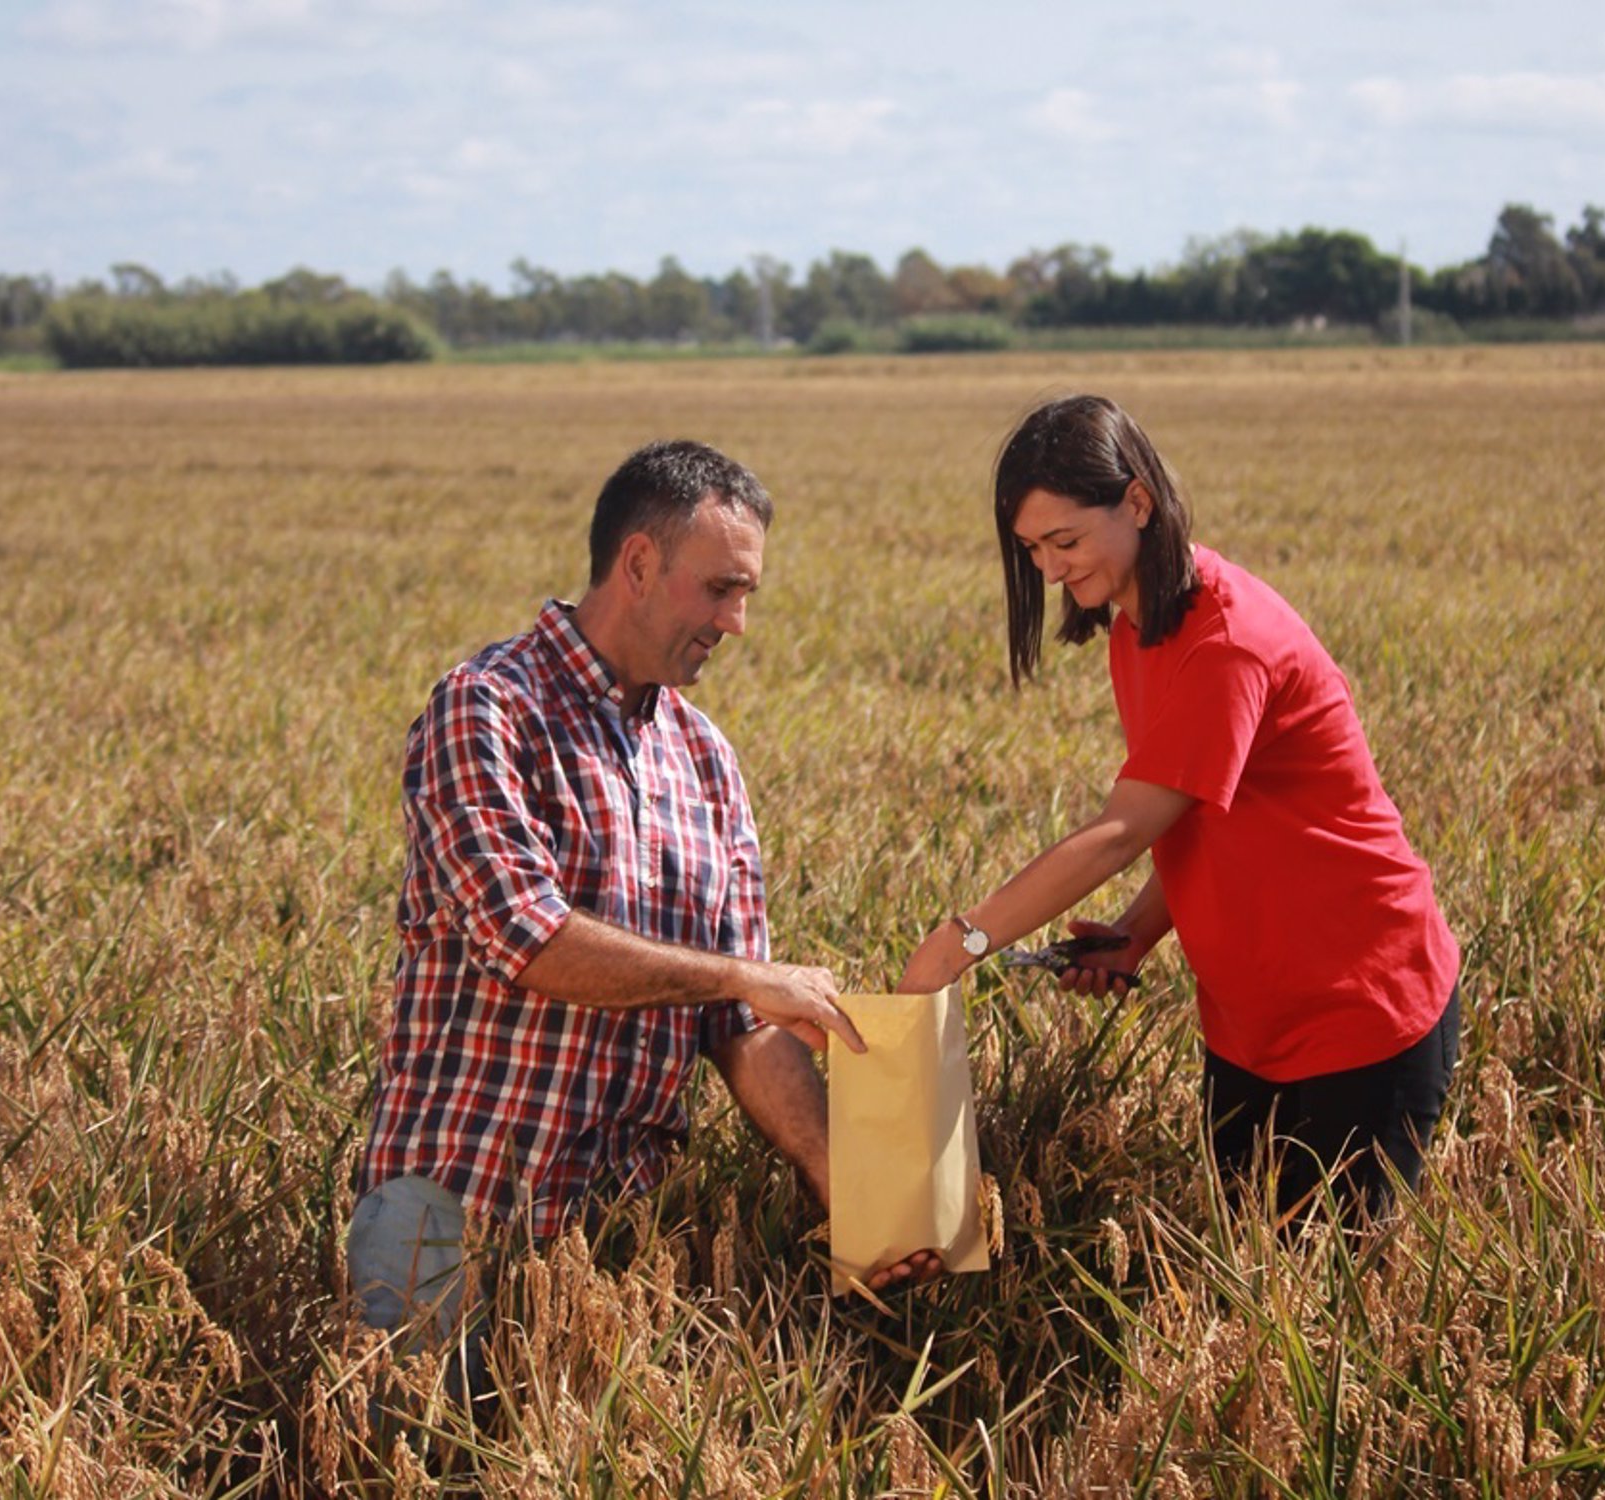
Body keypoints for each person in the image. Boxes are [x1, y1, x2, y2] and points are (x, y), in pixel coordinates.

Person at [350, 440, 928, 1380]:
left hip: (612, 1237)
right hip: (454, 1211)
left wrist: (841, 1176)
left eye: (748, 595)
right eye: (720, 589)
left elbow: (745, 1024)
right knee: (411, 1467)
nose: (736, 622)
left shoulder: (704, 760)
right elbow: (525, 938)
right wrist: (743, 977)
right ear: (640, 564)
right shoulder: (488, 709)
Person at [895, 395, 1461, 1229]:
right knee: (1248, 1265)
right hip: (1247, 1020)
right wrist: (1137, 934)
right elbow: (1193, 816)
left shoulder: (1225, 641)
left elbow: (1121, 831)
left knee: (1327, 1302)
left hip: (1358, 1010)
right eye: (1030, 549)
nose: (1049, 570)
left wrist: (961, 942)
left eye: (1064, 541)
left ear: (1137, 502)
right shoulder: (1139, 624)